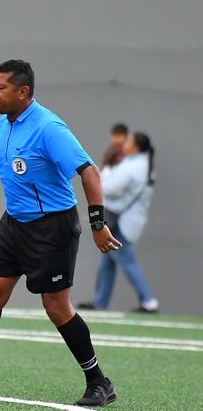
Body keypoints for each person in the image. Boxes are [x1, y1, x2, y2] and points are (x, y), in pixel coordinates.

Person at [0, 60, 122, 407]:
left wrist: (97, 223)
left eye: (0, 87)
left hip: (51, 226)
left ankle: (99, 382)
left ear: (23, 93)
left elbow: (88, 171)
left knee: (57, 307)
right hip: (14, 223)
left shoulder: (48, 127)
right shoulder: (3, 124)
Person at [79, 132, 158, 313]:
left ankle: (148, 301)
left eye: (128, 141)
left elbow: (111, 187)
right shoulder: (140, 163)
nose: (125, 143)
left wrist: (100, 177)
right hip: (125, 220)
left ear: (136, 146)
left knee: (127, 261)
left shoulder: (135, 165)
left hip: (122, 222)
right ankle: (100, 302)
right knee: (107, 262)